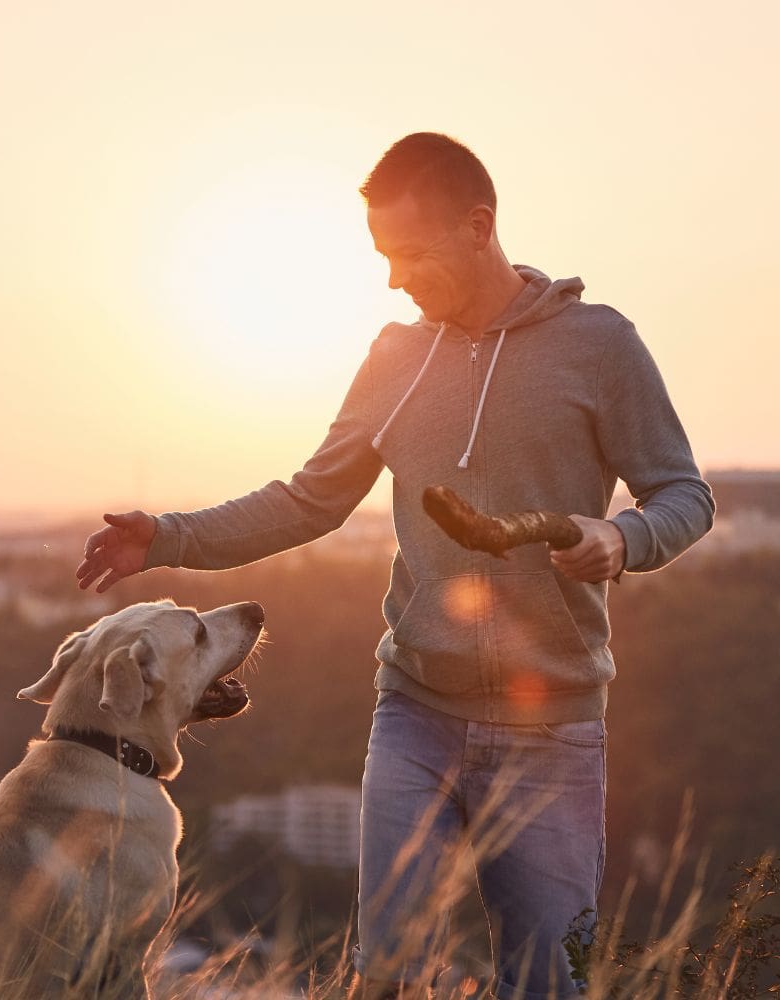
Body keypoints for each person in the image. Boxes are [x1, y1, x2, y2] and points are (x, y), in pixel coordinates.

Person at [75, 133, 714, 999]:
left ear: (478, 227)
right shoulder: (395, 359)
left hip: (552, 734)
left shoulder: (598, 346)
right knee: (391, 979)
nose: (393, 278)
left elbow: (685, 494)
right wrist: (168, 539)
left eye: (408, 253)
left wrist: (623, 540)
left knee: (547, 983)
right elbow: (309, 502)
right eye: (382, 255)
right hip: (415, 716)